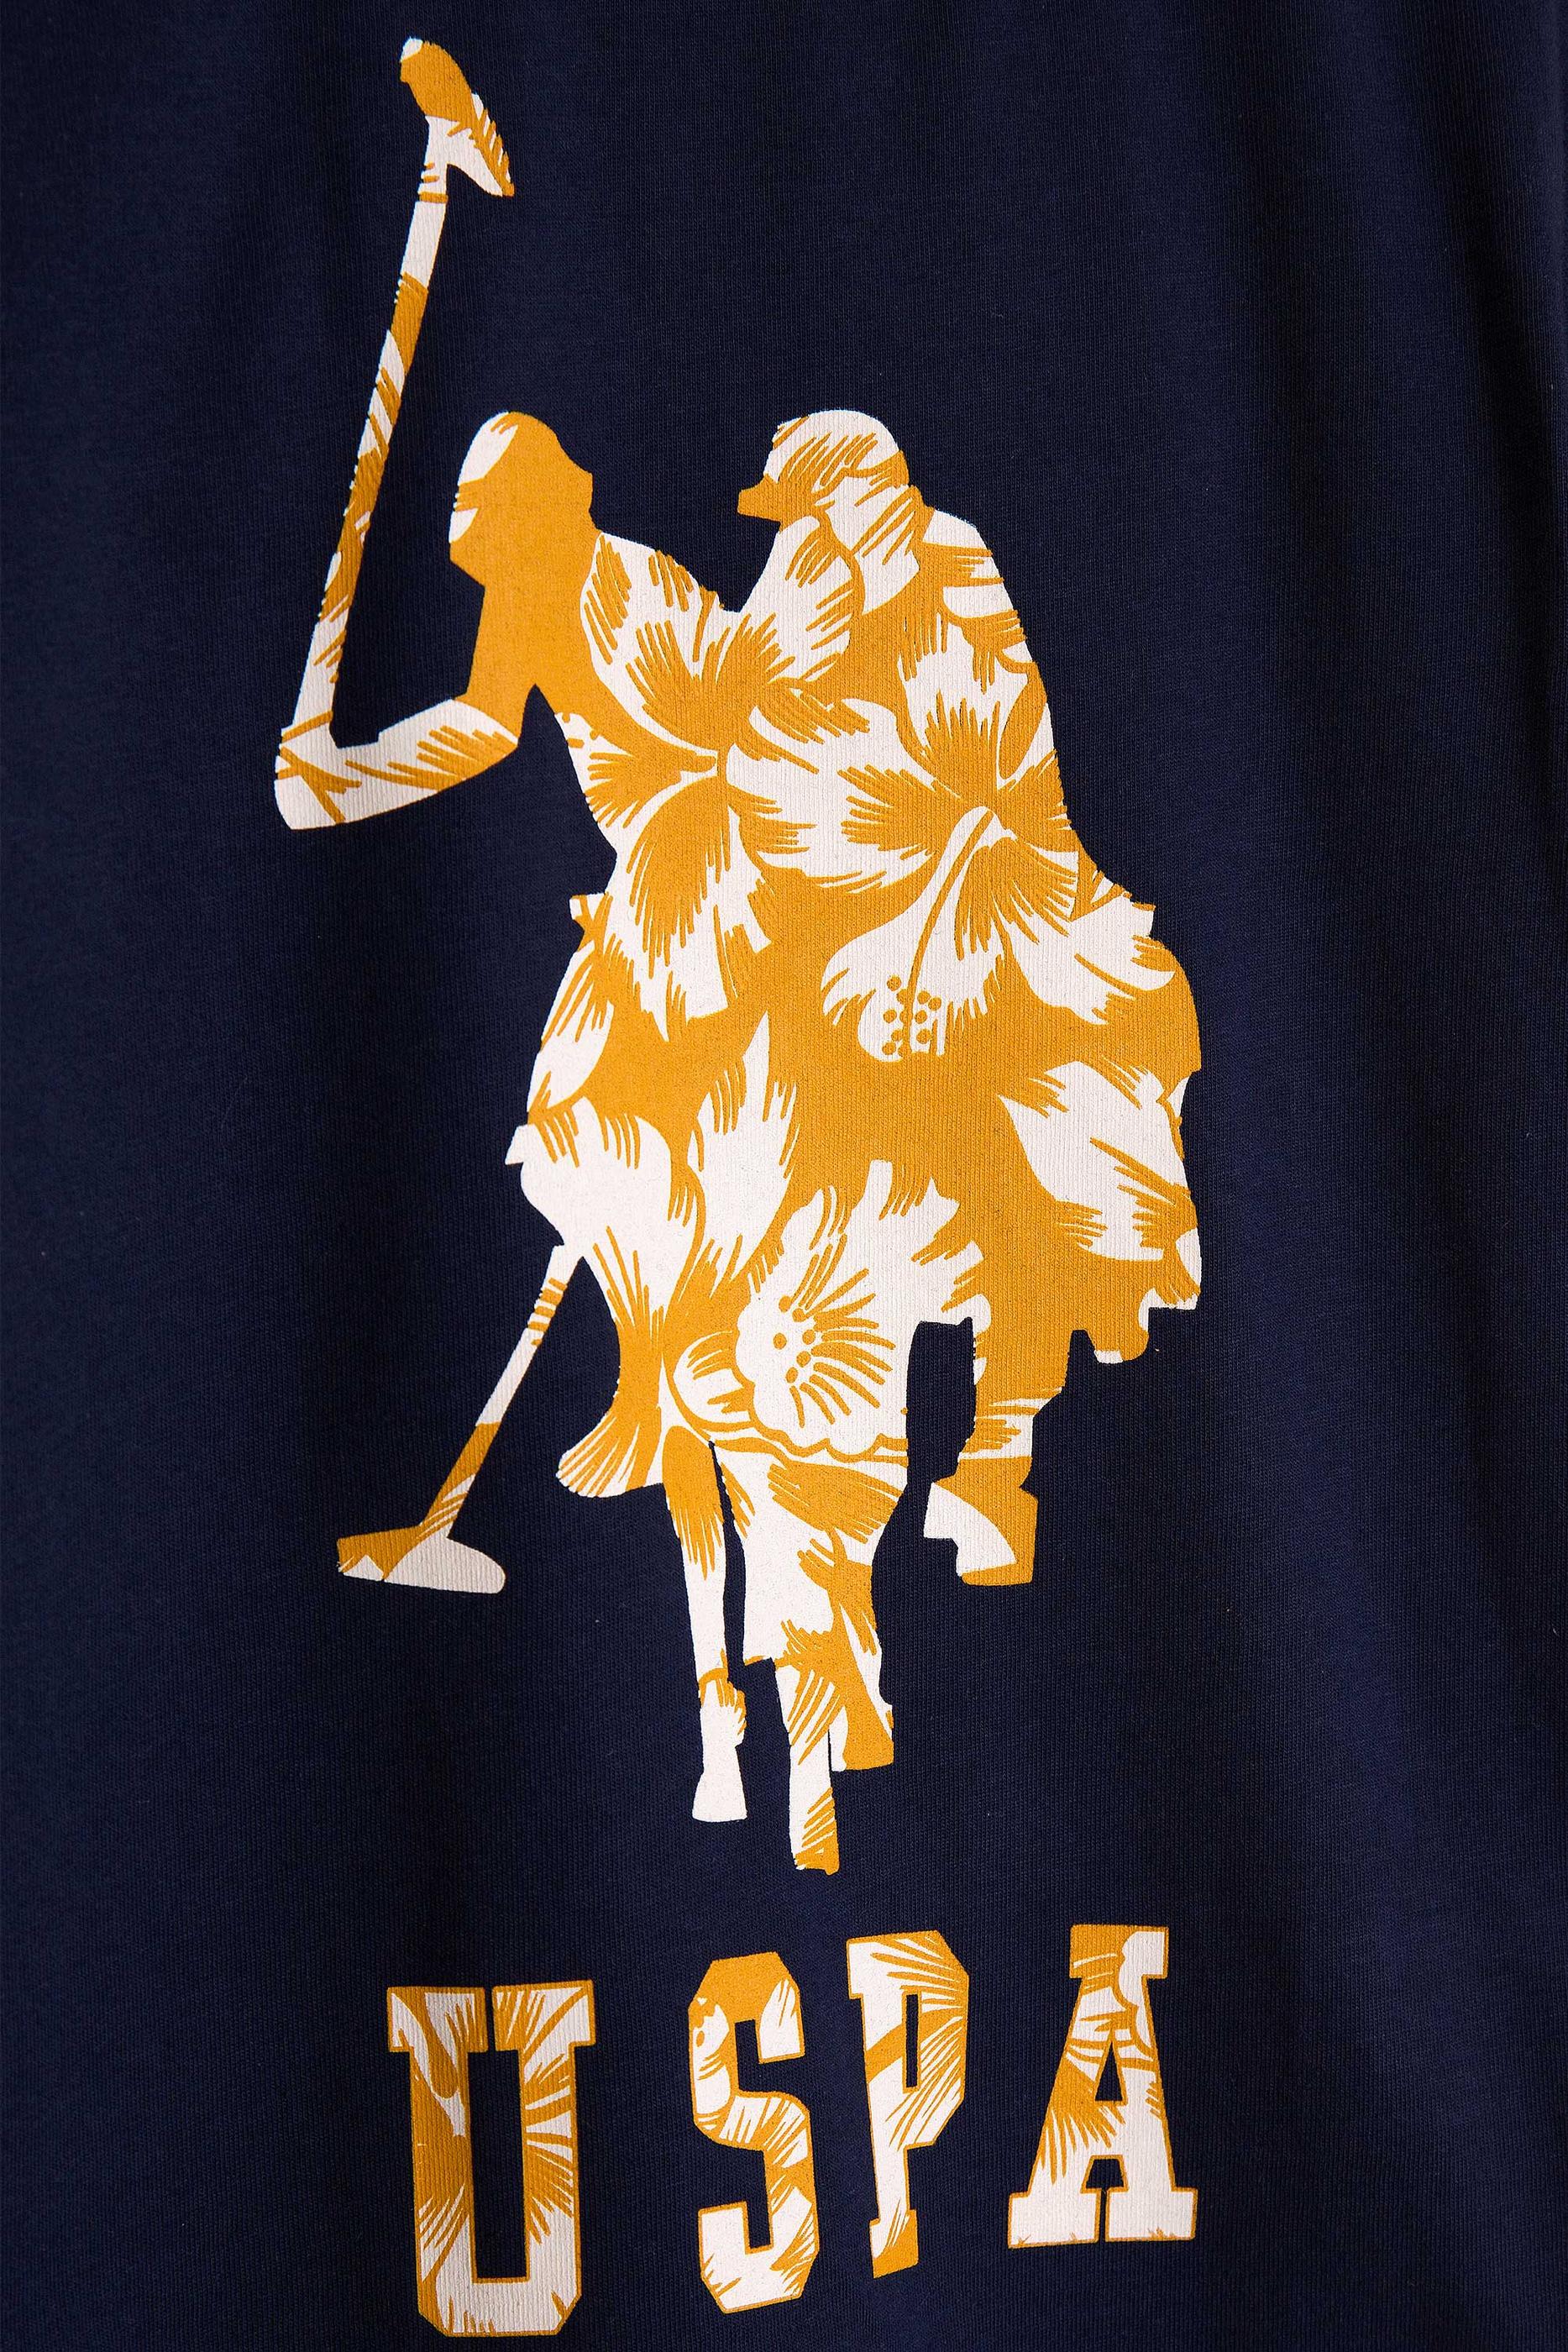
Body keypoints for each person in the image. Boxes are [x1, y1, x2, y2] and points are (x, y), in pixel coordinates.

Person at [275, 407, 1202, 1872]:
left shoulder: (661, 579)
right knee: (593, 1124)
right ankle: (677, 1355)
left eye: (492, 531)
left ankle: (976, 1413)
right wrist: (345, 779)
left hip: (741, 861)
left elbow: (618, 723)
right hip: (718, 860)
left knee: (1019, 1061)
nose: (480, 560)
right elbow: (504, 723)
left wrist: (343, 778)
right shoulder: (602, 584)